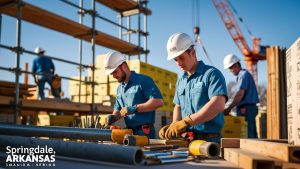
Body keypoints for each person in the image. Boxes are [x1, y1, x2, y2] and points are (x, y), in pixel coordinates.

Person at [159, 32, 228, 143]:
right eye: (175, 60)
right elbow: (178, 106)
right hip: (187, 140)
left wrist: (187, 121)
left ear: (193, 53)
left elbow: (218, 104)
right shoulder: (181, 80)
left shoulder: (212, 74)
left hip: (210, 140)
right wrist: (174, 124)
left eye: (181, 57)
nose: (178, 63)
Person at [104, 51, 164, 138]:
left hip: (145, 133)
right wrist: (113, 117)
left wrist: (134, 108)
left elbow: (158, 102)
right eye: (112, 73)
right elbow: (118, 110)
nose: (113, 76)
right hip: (129, 133)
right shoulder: (120, 88)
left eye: (115, 72)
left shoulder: (143, 80)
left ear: (123, 66)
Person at [223, 54, 259, 138]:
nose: (230, 70)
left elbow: (239, 95)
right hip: (248, 108)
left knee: (248, 134)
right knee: (251, 132)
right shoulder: (242, 75)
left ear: (236, 65)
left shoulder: (243, 75)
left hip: (247, 108)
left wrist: (229, 108)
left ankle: (250, 150)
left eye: (230, 68)